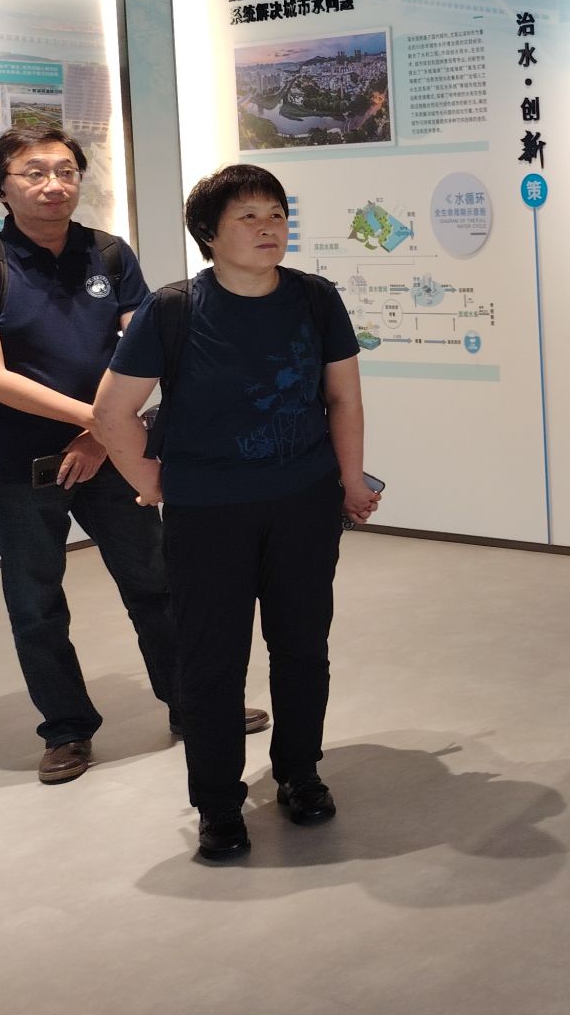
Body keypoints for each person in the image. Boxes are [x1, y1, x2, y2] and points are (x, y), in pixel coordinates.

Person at [91, 165, 379, 864]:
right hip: (208, 513)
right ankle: (218, 803)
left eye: (276, 212)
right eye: (248, 215)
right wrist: (154, 482)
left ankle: (300, 773)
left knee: (302, 646)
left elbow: (343, 399)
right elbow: (112, 412)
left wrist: (349, 480)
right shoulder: (174, 309)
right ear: (209, 233)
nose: (267, 226)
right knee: (212, 658)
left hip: (303, 502)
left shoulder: (315, 299)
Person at [0, 126, 267, 785]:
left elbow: (143, 349)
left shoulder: (107, 253)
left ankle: (191, 704)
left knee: (156, 582)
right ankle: (66, 729)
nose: (54, 185)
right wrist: (98, 421)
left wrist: (102, 437)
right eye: (34, 172)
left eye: (66, 170)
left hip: (109, 455)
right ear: (1, 187)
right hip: (17, 467)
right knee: (36, 605)